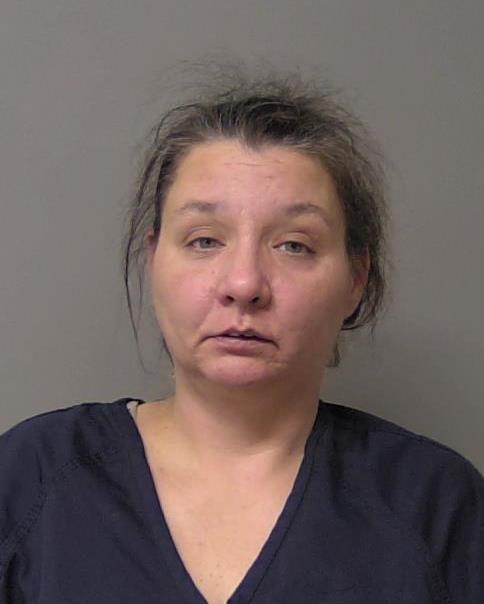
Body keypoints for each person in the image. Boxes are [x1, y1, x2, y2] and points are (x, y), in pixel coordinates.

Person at [1, 65, 483, 604]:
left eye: (294, 245)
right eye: (205, 240)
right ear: (152, 259)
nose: (244, 284)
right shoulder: (29, 477)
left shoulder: (435, 504)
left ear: (355, 280)